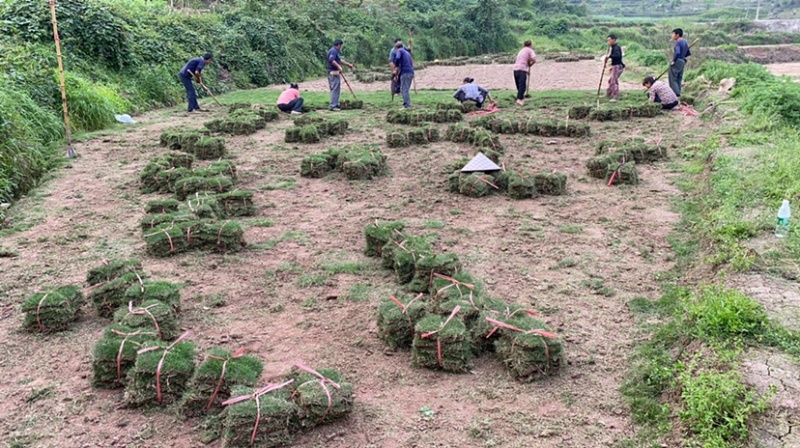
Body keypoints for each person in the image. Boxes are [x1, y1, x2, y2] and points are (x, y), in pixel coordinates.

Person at [326, 39, 355, 112]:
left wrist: (348, 65)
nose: (342, 47)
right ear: (339, 45)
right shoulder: (333, 51)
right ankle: (333, 105)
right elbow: (331, 60)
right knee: (335, 88)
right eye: (342, 46)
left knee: (335, 88)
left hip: (334, 72)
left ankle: (335, 103)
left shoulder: (336, 52)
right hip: (333, 72)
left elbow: (339, 60)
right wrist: (339, 67)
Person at [513, 40, 537, 106]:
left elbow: (522, 60)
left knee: (519, 86)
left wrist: (528, 65)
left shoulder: (521, 51)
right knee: (522, 86)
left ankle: (521, 98)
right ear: (531, 45)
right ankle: (519, 100)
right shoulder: (530, 50)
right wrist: (531, 64)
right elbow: (534, 58)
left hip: (515, 70)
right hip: (522, 69)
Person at [392, 42, 414, 109]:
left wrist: (395, 66)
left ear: (396, 48)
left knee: (404, 89)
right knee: (405, 89)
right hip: (411, 72)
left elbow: (398, 58)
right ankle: (407, 104)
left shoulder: (400, 51)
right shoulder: (407, 53)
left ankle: (407, 106)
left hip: (406, 72)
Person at [669, 28, 691, 98]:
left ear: (677, 35)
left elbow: (677, 52)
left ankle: (675, 94)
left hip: (677, 61)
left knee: (673, 78)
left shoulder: (678, 42)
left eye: (673, 34)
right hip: (682, 61)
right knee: (679, 78)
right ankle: (678, 92)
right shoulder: (685, 41)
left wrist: (674, 61)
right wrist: (683, 57)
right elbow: (688, 53)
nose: (672, 36)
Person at [605, 35, 624, 102]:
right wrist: (612, 67)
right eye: (608, 40)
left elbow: (617, 56)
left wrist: (609, 56)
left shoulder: (616, 48)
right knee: (610, 80)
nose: (608, 42)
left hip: (618, 66)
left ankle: (616, 96)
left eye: (609, 40)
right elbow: (615, 59)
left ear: (613, 40)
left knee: (613, 81)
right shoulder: (613, 47)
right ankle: (608, 93)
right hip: (615, 65)